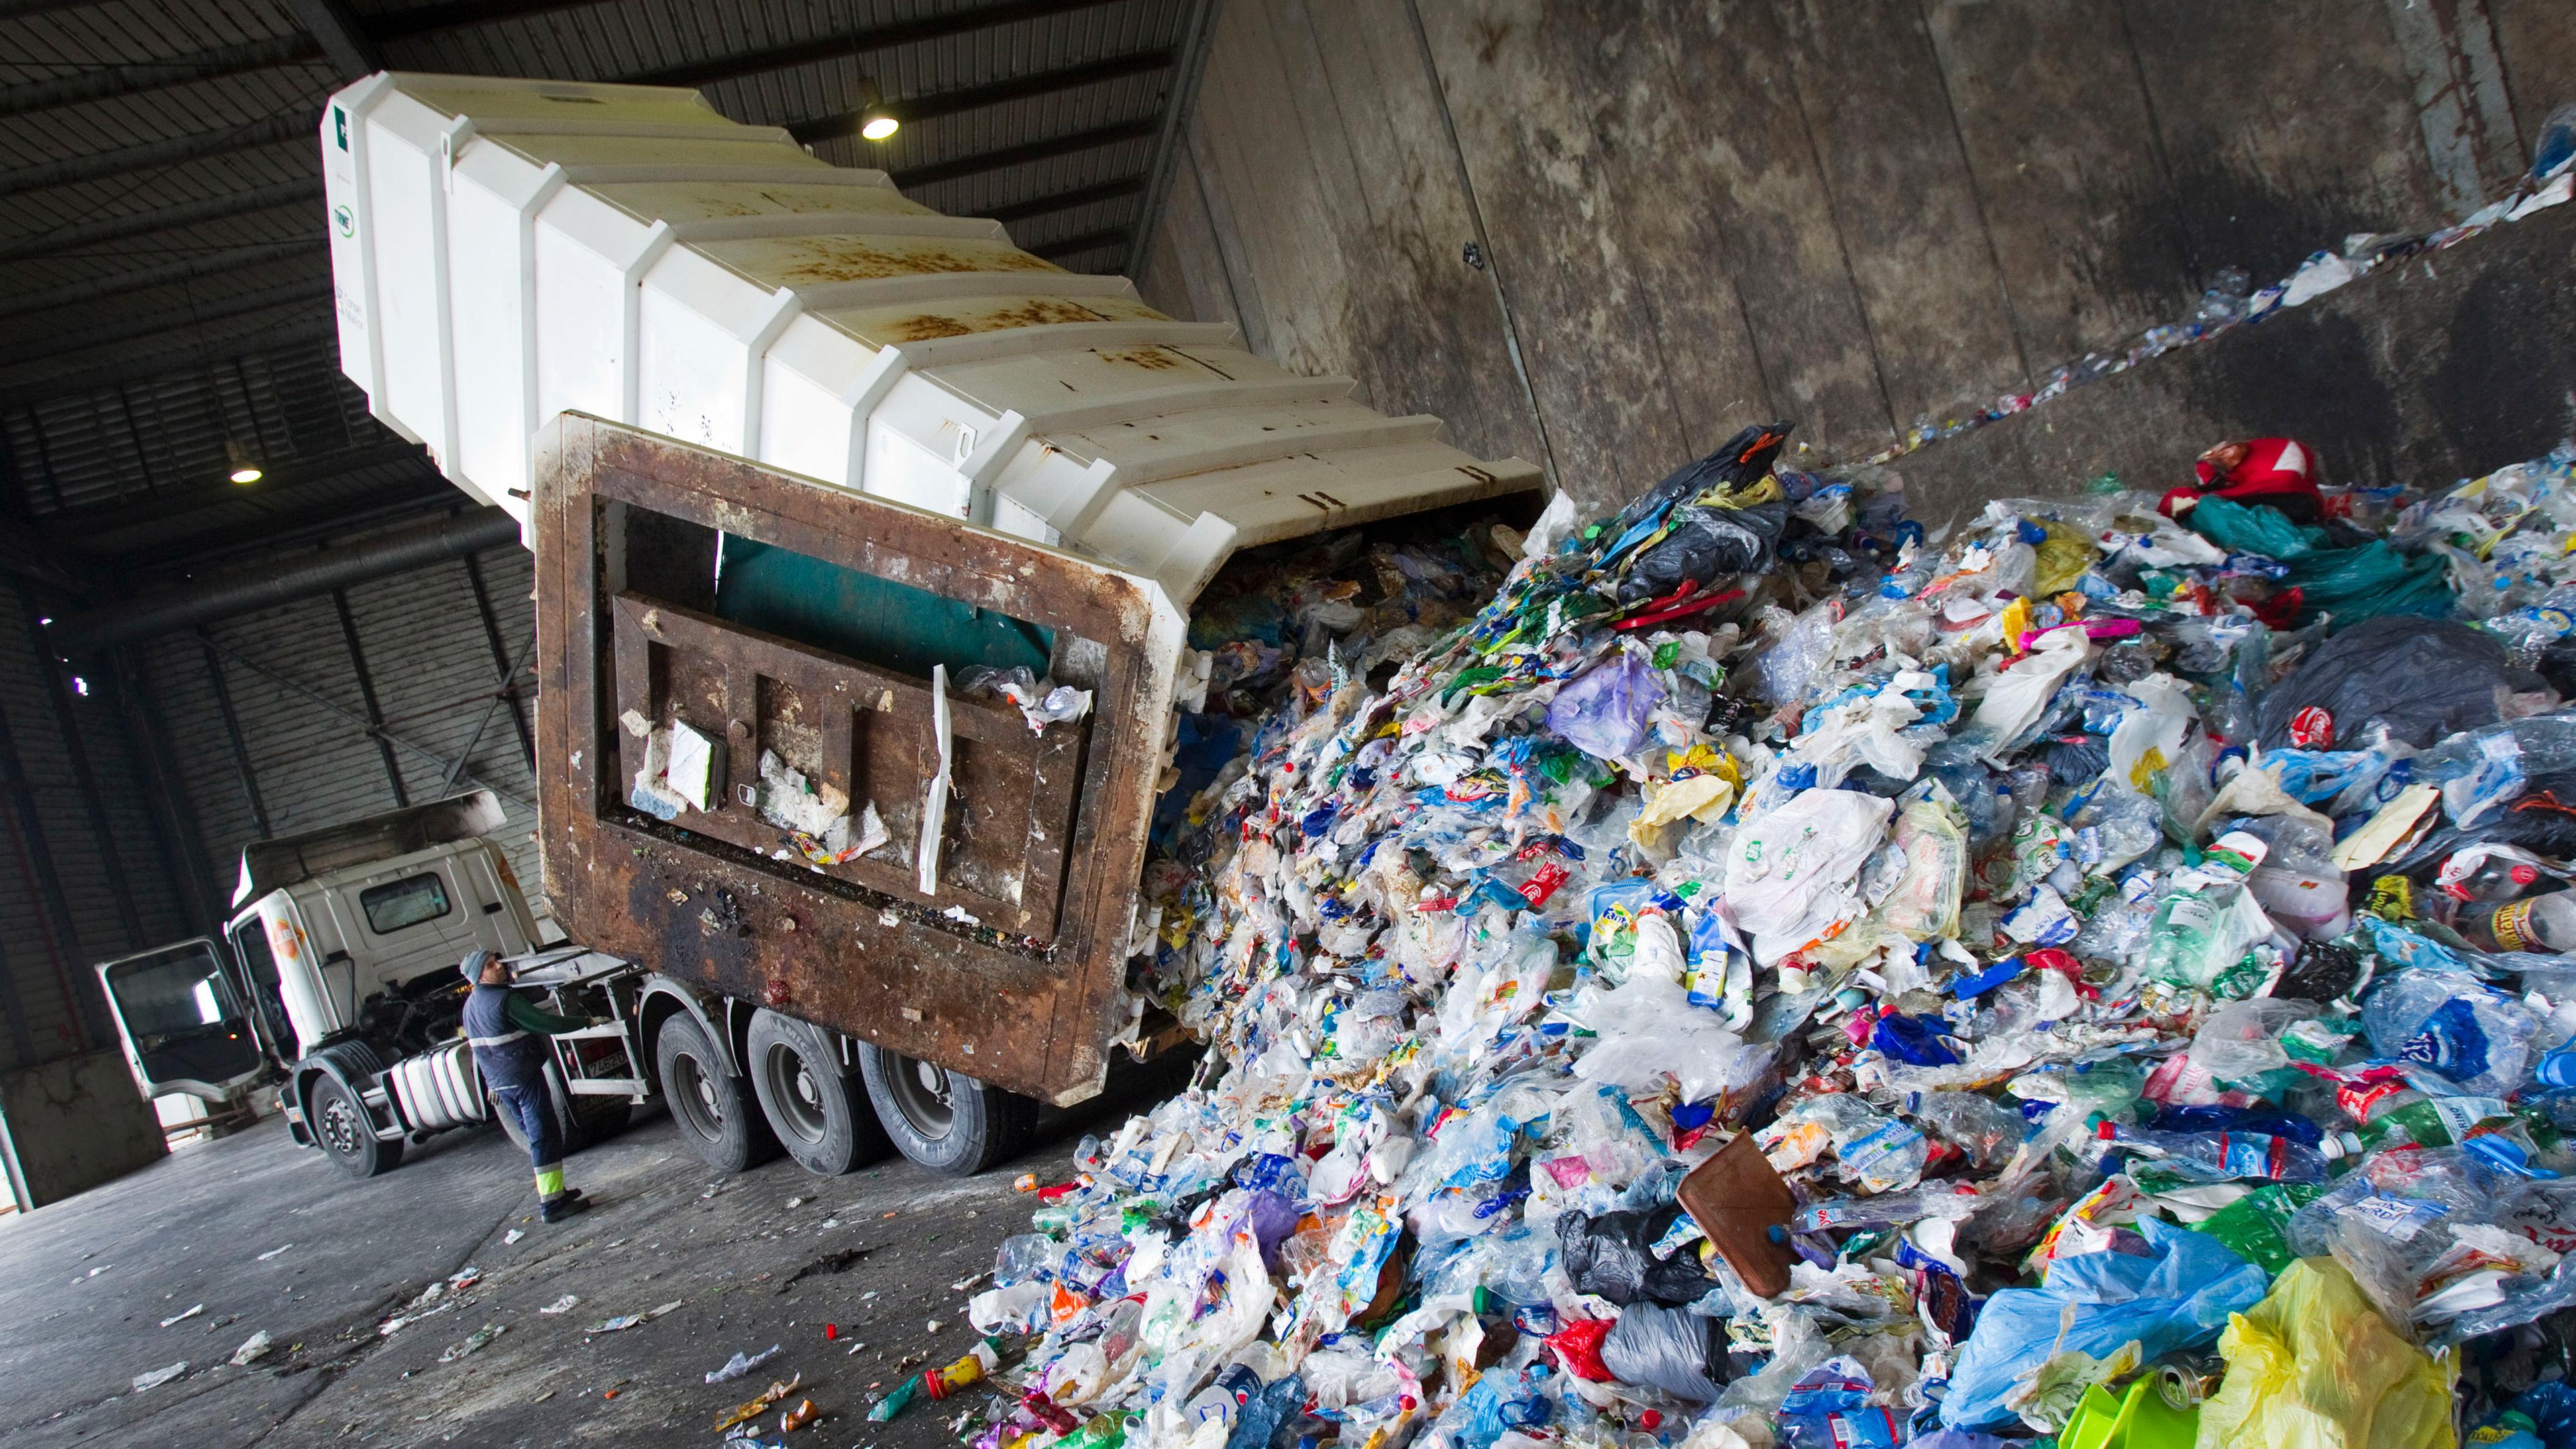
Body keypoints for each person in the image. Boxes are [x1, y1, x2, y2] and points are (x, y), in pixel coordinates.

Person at [460, 949, 595, 1222]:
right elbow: (545, 1023)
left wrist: (491, 1083)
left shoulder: (470, 1006)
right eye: (489, 965)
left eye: (496, 960)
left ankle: (556, 1193)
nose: (499, 966)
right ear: (479, 976)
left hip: (502, 1084)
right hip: (523, 1079)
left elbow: (480, 1049)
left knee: (539, 1139)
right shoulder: (505, 1000)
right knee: (544, 1138)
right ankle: (552, 1205)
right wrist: (585, 1021)